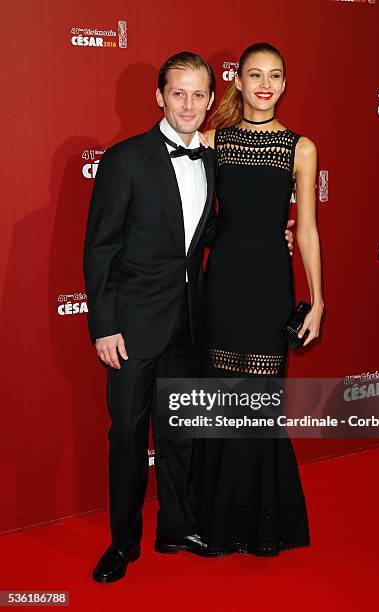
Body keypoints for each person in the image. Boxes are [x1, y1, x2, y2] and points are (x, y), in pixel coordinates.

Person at [83, 50, 297, 581]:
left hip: (191, 322)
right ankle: (122, 543)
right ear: (159, 97)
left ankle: (177, 526)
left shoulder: (213, 158)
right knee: (129, 437)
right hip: (131, 328)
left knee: (180, 431)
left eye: (199, 94)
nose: (188, 103)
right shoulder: (125, 159)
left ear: (211, 100)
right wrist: (104, 325)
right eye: (177, 92)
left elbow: (217, 232)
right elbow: (99, 249)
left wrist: (276, 236)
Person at [194, 42, 324, 556]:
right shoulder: (213, 141)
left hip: (271, 282)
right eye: (254, 74)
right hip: (222, 280)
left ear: (285, 84)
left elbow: (308, 229)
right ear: (239, 82)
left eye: (274, 75)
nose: (264, 84)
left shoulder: (301, 147)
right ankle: (214, 523)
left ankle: (260, 524)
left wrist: (318, 300)